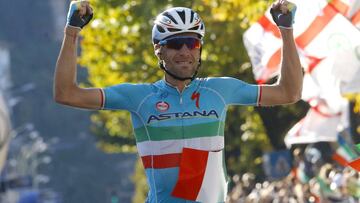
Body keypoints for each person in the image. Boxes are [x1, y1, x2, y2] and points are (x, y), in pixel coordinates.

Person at [53, 0, 302, 202]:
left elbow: (288, 93)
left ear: (199, 48)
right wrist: (72, 32)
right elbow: (67, 93)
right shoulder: (139, 97)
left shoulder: (220, 90)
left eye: (192, 43)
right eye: (174, 44)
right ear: (158, 50)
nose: (184, 51)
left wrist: (286, 32)